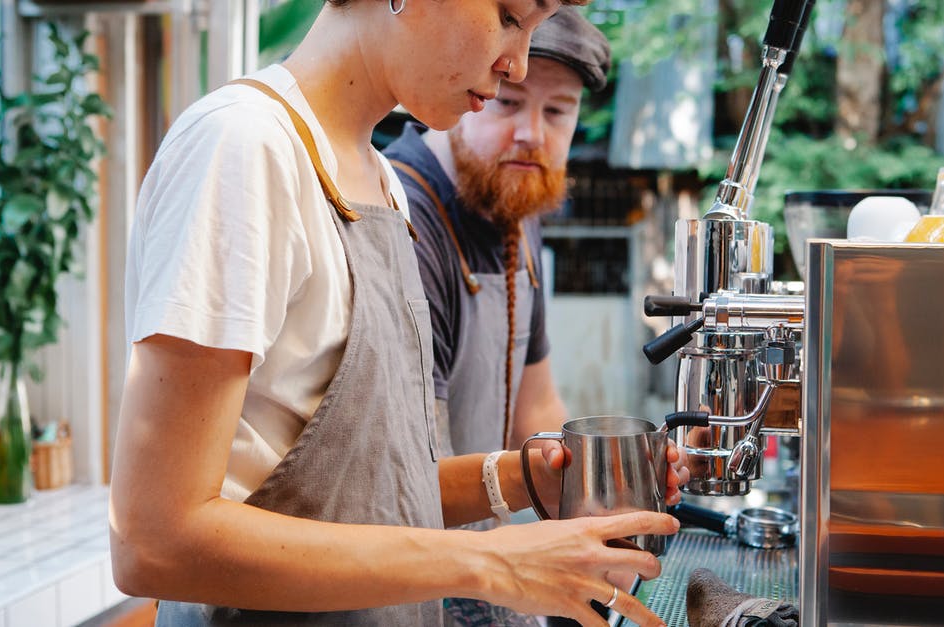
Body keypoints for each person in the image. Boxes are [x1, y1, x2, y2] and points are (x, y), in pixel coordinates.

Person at [110, 1, 684, 626]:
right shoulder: (244, 148)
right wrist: (490, 562)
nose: (515, 64)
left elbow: (364, 500)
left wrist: (522, 477)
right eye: (509, 15)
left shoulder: (378, 183)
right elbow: (155, 541)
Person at [383, 10, 640, 626]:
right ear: (466, 90)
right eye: (507, 102)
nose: (533, 134)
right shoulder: (405, 221)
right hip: (415, 573)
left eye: (557, 112)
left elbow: (536, 412)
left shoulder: (515, 206)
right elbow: (409, 487)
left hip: (478, 552)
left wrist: (611, 486)